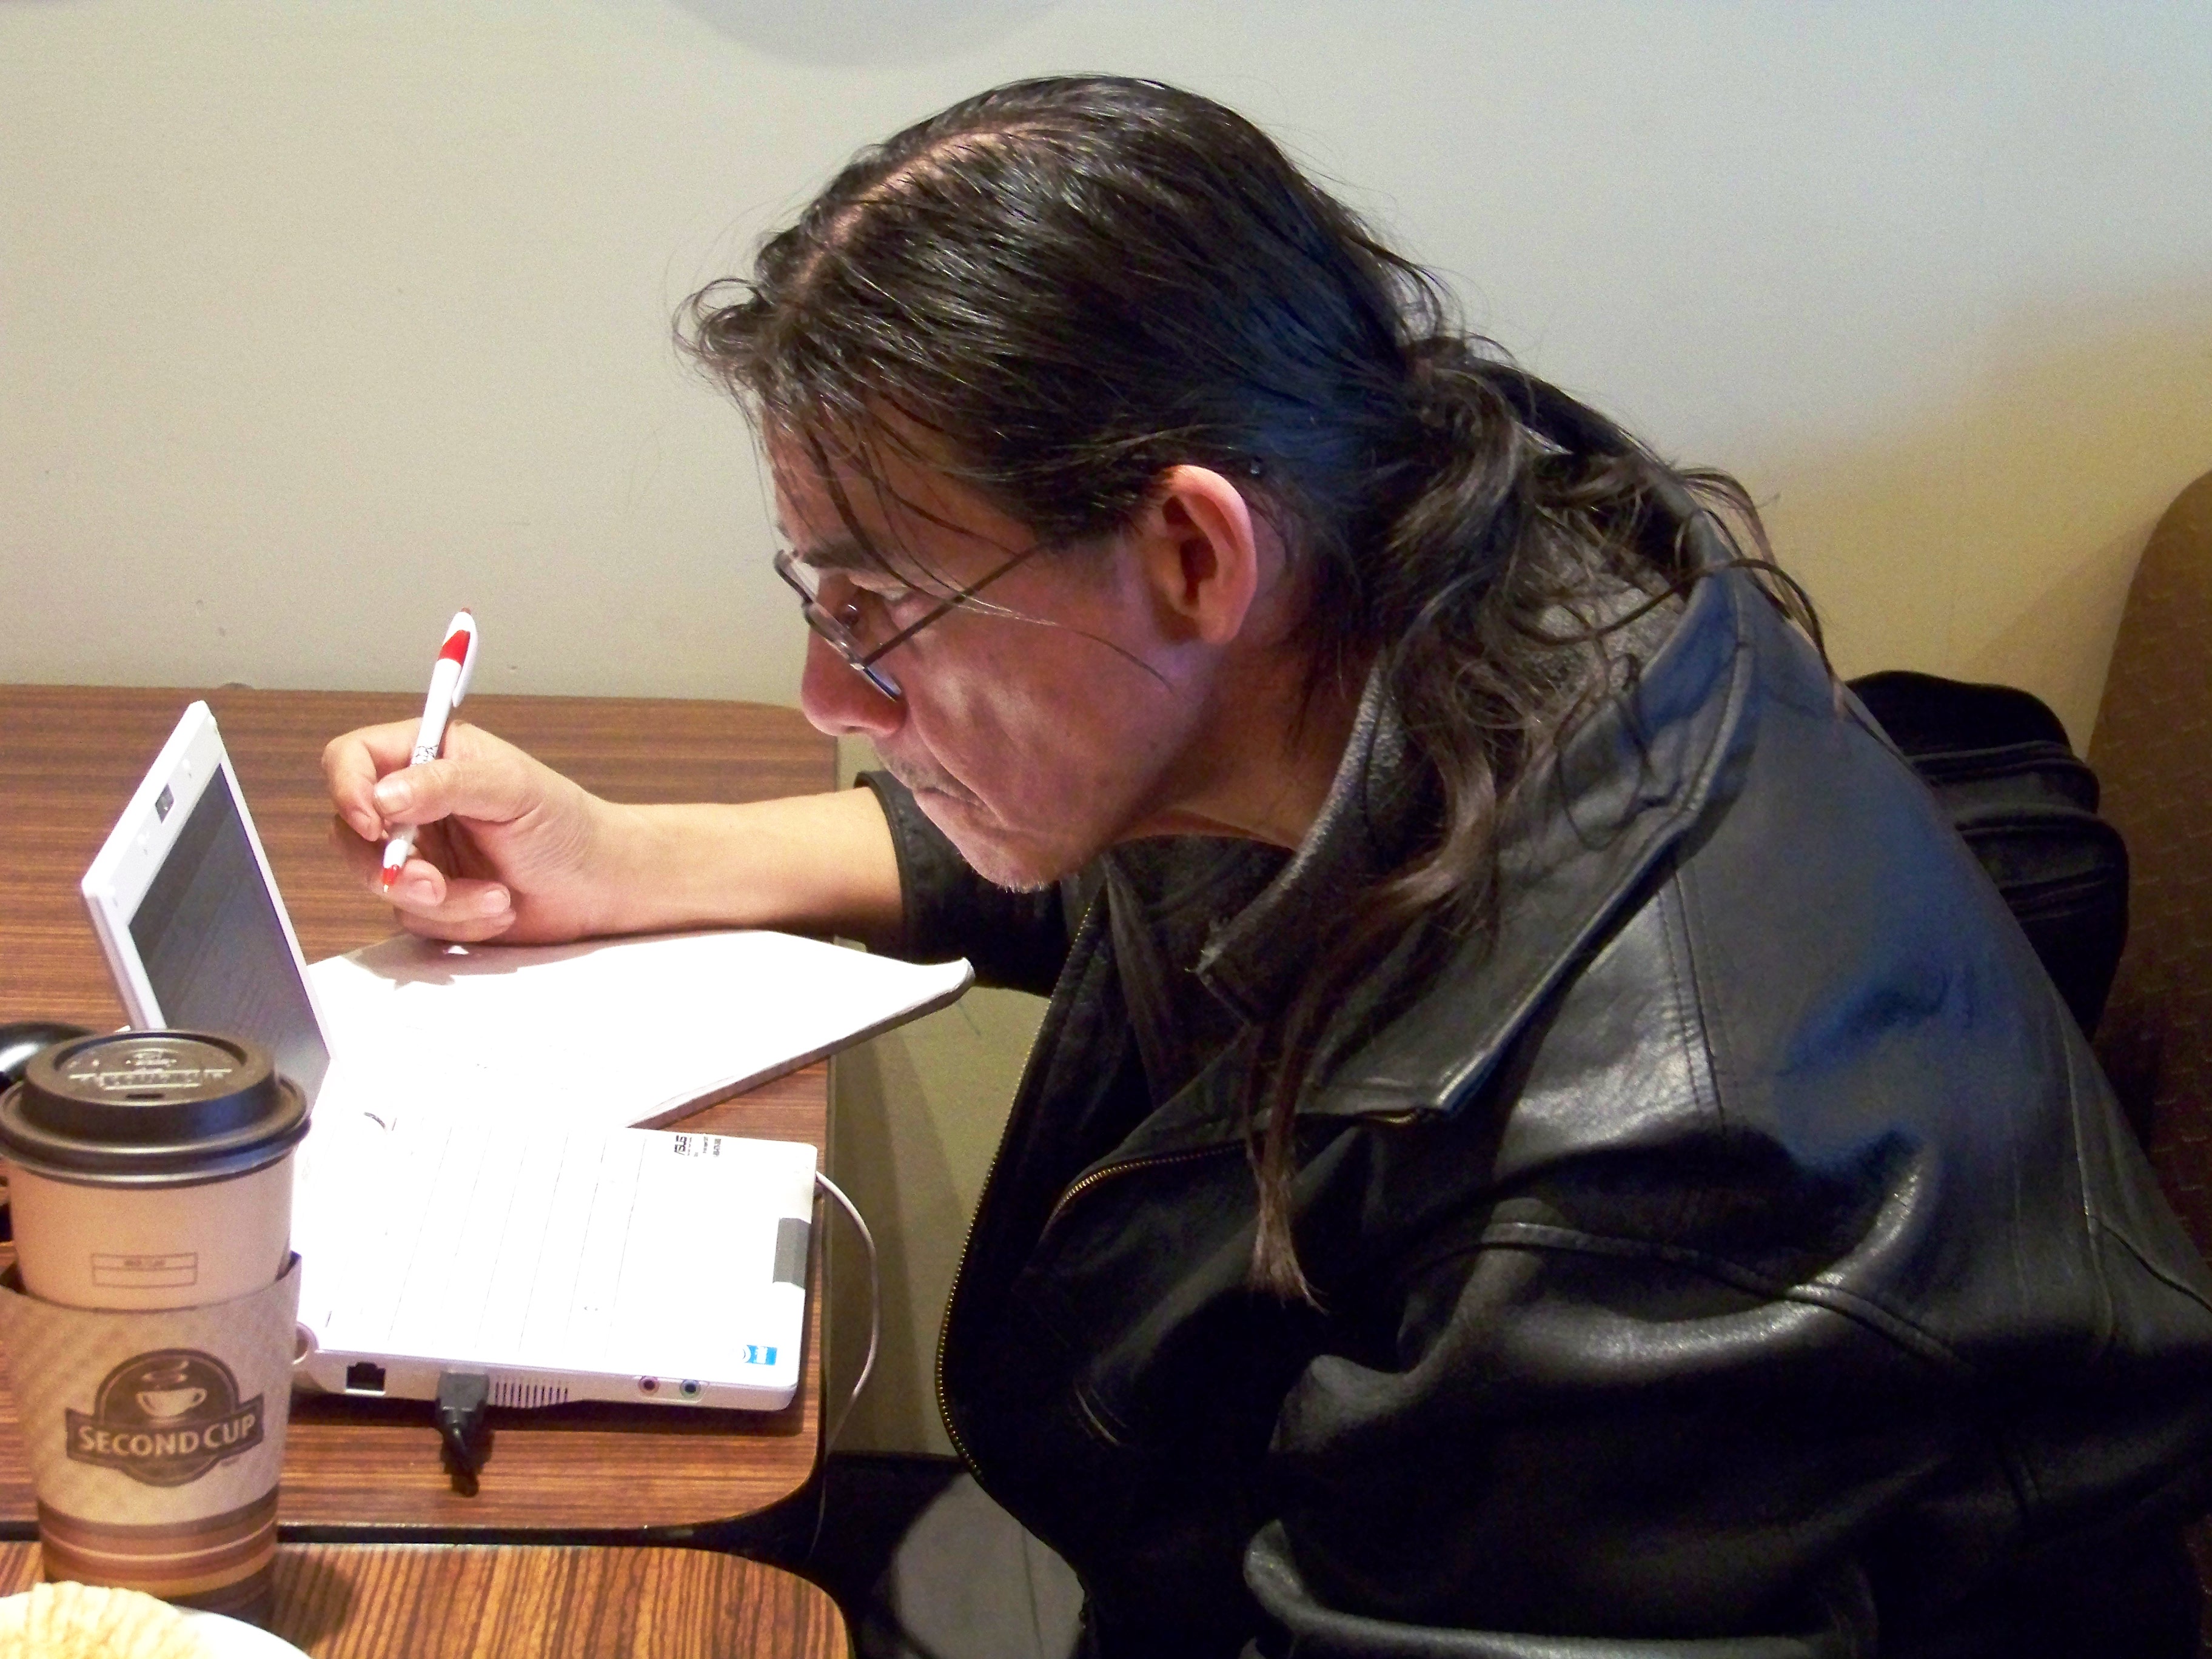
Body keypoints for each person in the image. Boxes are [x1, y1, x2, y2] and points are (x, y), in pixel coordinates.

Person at [321, 77, 2212, 1659]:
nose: (832, 693)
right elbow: (1099, 843)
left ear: (1193, 553)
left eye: (878, 610)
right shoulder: (1410, 566)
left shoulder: (1657, 1206)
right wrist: (618, 859)